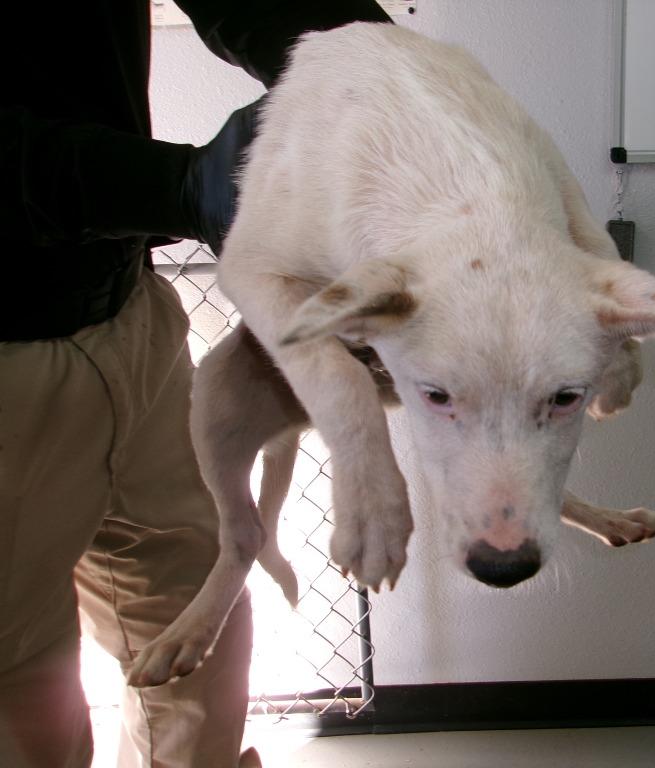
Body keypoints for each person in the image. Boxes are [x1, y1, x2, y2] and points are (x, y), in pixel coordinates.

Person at [0, 2, 392, 766]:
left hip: (133, 318)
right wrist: (180, 188)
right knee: (25, 699)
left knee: (197, 619)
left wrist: (379, 68)